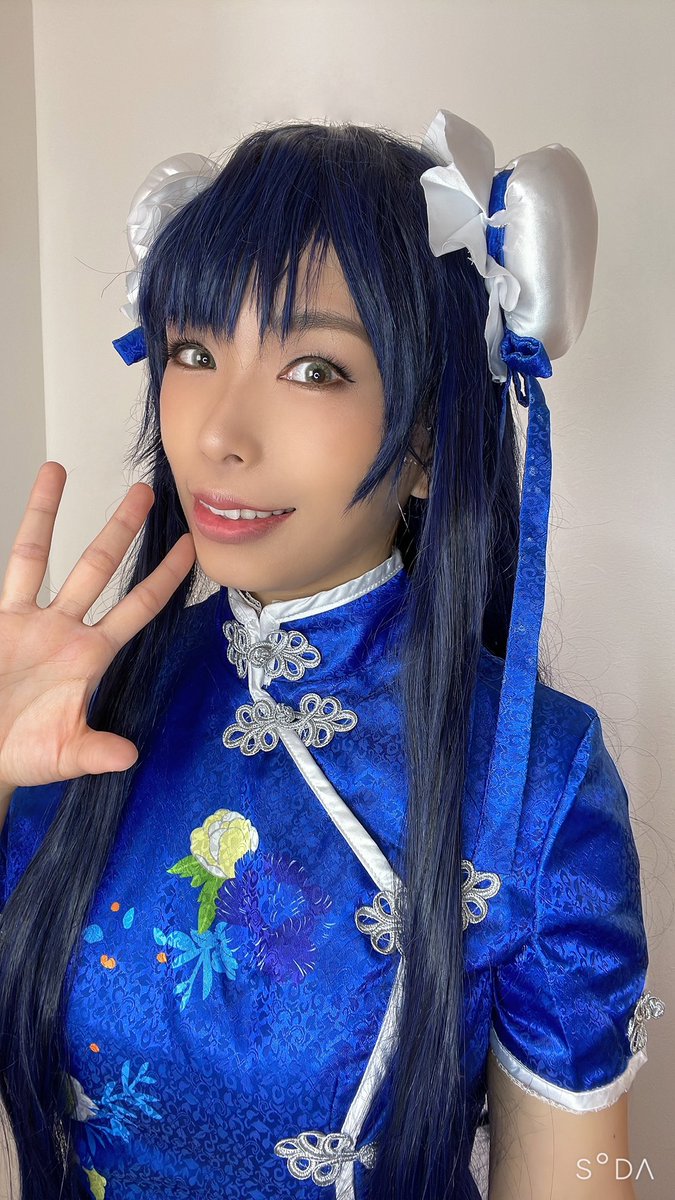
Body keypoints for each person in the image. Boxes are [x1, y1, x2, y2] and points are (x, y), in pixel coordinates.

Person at [0, 113, 664, 1200]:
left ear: (427, 442)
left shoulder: (532, 782)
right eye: (194, 352)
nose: (218, 431)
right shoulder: (82, 709)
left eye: (312, 367)